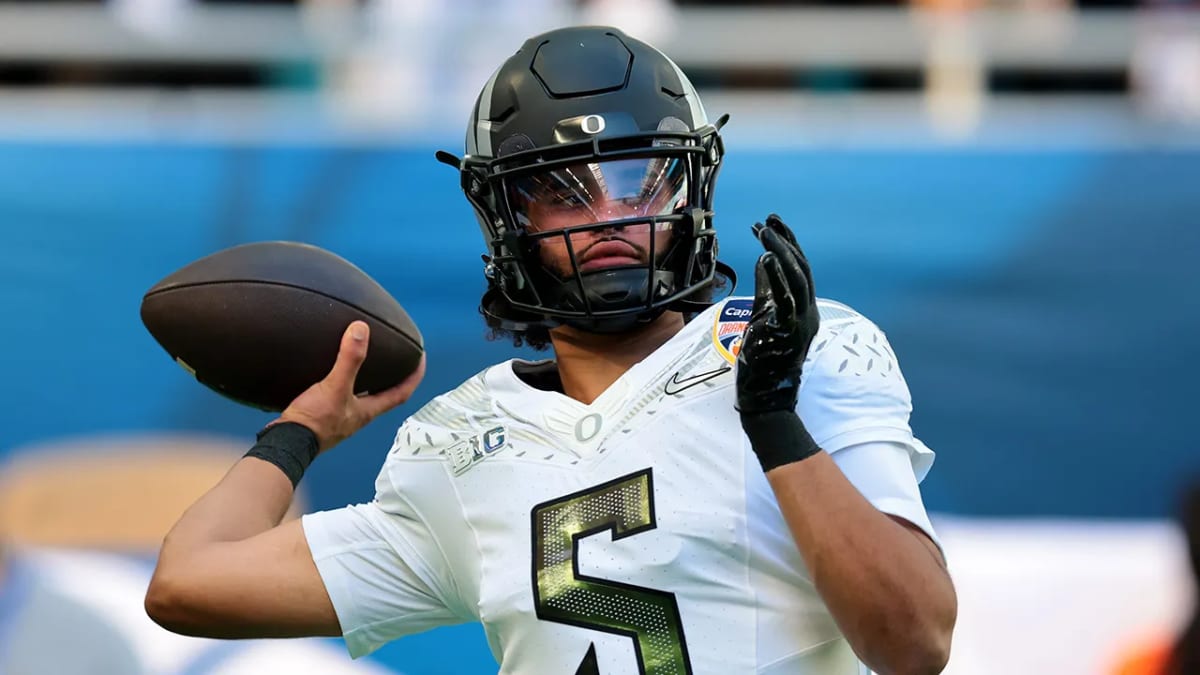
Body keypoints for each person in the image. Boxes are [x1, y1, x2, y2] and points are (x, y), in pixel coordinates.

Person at [145, 25, 957, 674]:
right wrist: (303, 430)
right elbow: (187, 583)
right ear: (506, 219)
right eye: (560, 189)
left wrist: (777, 421)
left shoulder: (797, 345)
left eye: (640, 175)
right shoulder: (457, 446)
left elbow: (913, 642)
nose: (607, 212)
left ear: (691, 190)